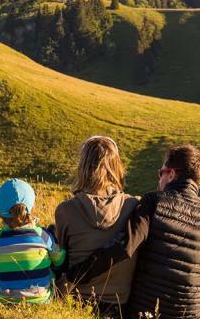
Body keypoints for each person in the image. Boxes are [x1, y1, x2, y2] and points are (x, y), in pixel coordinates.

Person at [68, 144, 200, 319]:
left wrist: (75, 276)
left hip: (147, 312)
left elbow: (124, 247)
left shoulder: (154, 201)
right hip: (195, 315)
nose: (158, 178)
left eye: (160, 173)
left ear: (171, 174)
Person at [54, 136, 138, 317]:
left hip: (77, 305)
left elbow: (61, 258)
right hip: (121, 305)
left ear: (83, 166)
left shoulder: (66, 210)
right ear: (116, 165)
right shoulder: (133, 206)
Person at [0, 178, 65, 303]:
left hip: (4, 300)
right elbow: (59, 261)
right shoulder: (43, 235)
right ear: (30, 206)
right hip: (42, 299)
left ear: (0, 211)